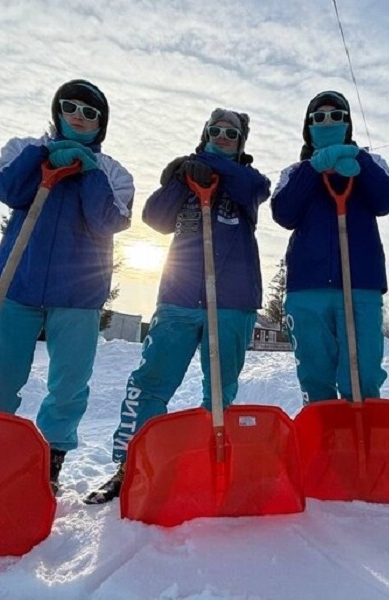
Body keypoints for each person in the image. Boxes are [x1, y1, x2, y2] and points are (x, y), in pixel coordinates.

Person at [85, 108, 270, 504]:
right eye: (215, 131)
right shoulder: (187, 176)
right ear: (204, 133)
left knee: (219, 389)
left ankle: (210, 459)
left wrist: (211, 163)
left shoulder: (247, 182)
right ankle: (131, 464)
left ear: (241, 144)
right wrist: (179, 177)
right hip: (179, 298)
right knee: (151, 382)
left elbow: (256, 190)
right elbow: (155, 218)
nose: (223, 137)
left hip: (233, 302)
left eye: (231, 134)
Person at [0, 79, 135, 494]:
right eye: (71, 107)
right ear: (57, 111)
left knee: (69, 383)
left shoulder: (113, 172)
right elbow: (5, 188)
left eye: (90, 112)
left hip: (79, 293)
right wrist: (43, 158)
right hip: (16, 283)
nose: (79, 116)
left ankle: (50, 460)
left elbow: (110, 221)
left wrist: (88, 173)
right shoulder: (25, 149)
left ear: (102, 123)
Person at [271, 91, 389, 405]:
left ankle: (363, 436)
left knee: (363, 372)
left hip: (362, 285)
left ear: (348, 124)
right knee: (315, 372)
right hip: (307, 288)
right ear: (308, 127)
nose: (328, 121)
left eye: (337, 115)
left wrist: (357, 159)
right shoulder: (294, 171)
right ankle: (323, 438)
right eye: (319, 117)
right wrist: (314, 169)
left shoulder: (371, 162)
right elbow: (283, 213)